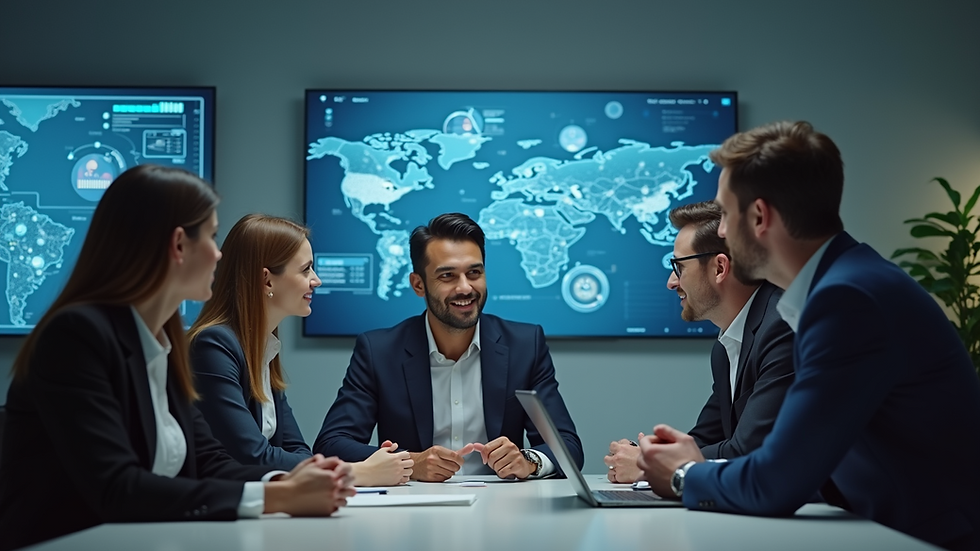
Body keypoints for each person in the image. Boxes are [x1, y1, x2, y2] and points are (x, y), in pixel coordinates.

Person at [636, 121, 980, 551]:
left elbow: (775, 479)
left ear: (760, 217)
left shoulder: (847, 300)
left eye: (725, 214)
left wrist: (683, 474)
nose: (720, 232)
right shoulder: (847, 283)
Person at [0, 166, 355, 551]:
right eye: (213, 236)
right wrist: (279, 498)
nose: (220, 255)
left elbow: (209, 460)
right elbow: (118, 488)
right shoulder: (75, 337)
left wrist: (289, 482)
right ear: (179, 244)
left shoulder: (161, 339)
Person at [314, 213, 583, 481]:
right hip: (412, 509)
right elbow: (331, 444)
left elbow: (567, 446)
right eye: (447, 276)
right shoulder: (379, 351)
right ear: (418, 285)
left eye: (474, 273)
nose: (465, 288)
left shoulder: (525, 345)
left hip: (502, 508)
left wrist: (528, 461)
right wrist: (410, 462)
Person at [188, 214, 412, 485]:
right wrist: (358, 471)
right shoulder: (212, 346)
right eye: (305, 270)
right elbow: (250, 455)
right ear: (267, 281)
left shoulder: (263, 349)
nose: (316, 280)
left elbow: (300, 451)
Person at [604, 201, 793, 483]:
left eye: (679, 267)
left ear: (719, 267)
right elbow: (704, 440)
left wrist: (647, 465)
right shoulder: (725, 346)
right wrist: (655, 455)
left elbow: (749, 451)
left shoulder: (782, 328)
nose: (671, 282)